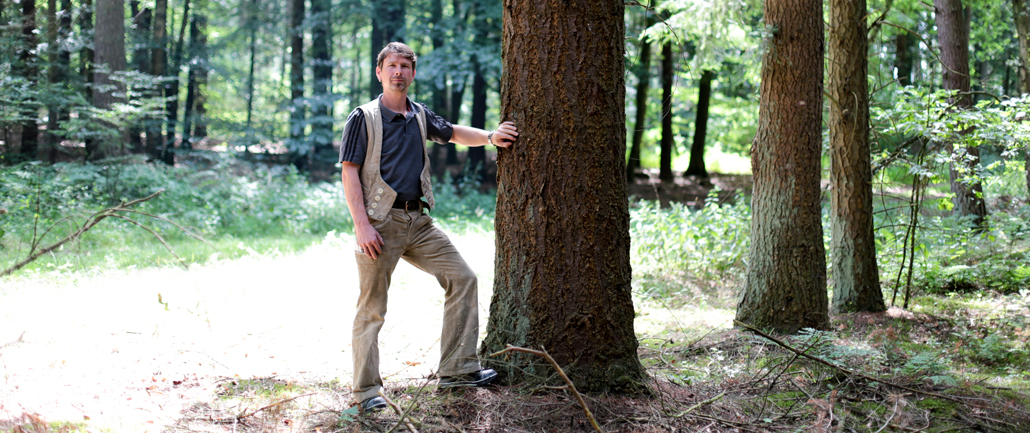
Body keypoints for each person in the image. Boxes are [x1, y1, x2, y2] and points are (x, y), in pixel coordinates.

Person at [338, 42, 518, 413]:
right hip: (380, 223)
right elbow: (349, 172)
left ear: (413, 73)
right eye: (391, 65)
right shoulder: (363, 117)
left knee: (464, 278)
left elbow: (452, 132)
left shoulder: (419, 115)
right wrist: (362, 226)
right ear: (379, 72)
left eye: (405, 66)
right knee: (372, 309)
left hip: (418, 221)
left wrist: (489, 137)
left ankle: (457, 371)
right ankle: (365, 393)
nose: (398, 72)